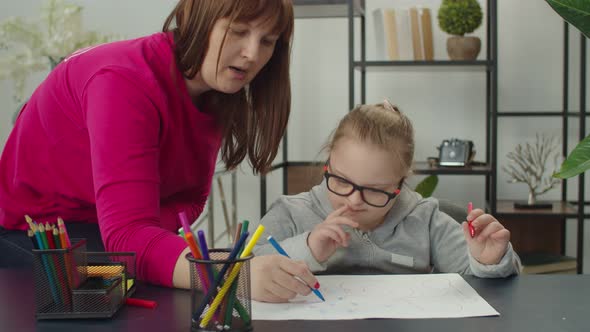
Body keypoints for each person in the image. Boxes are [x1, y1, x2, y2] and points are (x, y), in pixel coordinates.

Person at [0, 0, 294, 289]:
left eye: (267, 41)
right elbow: (128, 238)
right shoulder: (122, 81)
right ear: (198, 20)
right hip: (42, 236)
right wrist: (229, 272)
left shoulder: (215, 89)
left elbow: (188, 203)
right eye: (238, 31)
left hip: (108, 235)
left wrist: (148, 234)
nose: (252, 54)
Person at [251, 101, 521, 303]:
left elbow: (478, 281)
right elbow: (238, 273)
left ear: (400, 185)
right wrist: (308, 247)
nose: (354, 200)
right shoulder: (290, 212)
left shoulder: (425, 219)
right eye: (342, 181)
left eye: (375, 191)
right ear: (328, 164)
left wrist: (488, 261)